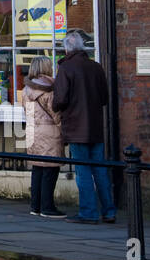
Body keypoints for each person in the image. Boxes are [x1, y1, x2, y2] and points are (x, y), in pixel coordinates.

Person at [52, 30, 116, 224]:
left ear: (67, 48)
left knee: (83, 171)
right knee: (100, 170)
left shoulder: (66, 68)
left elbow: (60, 99)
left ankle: (88, 212)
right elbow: (104, 98)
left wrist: (55, 106)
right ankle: (109, 211)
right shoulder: (96, 67)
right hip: (96, 127)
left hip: (75, 127)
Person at [22, 56, 66, 219]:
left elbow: (26, 111)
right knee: (50, 169)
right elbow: (56, 114)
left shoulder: (26, 90)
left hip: (33, 132)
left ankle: (35, 206)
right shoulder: (50, 89)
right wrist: (64, 131)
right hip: (49, 133)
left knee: (38, 169)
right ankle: (48, 207)